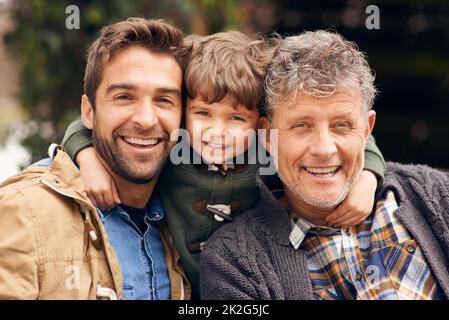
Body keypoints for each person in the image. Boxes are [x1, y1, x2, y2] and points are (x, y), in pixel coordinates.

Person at [61, 31, 385, 298]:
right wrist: (87, 158)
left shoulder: (268, 149)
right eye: (203, 114)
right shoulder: (172, 145)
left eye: (236, 119)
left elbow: (348, 130)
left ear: (261, 124)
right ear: (186, 109)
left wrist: (367, 178)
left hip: (248, 287)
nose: (217, 133)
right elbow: (88, 123)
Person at [200, 30, 449, 300]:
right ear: (267, 136)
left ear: (367, 129)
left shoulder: (436, 196)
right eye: (301, 126)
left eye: (341, 125)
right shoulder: (234, 261)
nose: (324, 149)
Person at [0, 17, 191, 299]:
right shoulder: (24, 213)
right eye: (124, 97)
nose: (146, 120)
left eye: (164, 100)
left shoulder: (188, 216)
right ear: (88, 113)